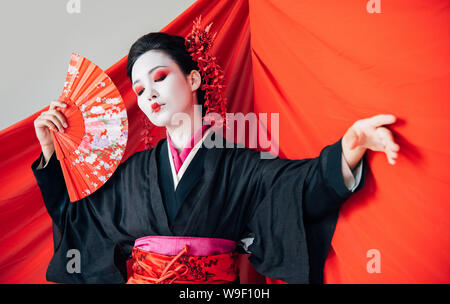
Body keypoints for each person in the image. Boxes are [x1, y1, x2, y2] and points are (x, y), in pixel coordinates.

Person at [31, 30, 399, 284]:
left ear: (192, 81)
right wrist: (53, 153)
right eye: (140, 89)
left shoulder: (240, 166)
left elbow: (300, 188)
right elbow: (79, 219)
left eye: (159, 77)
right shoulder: (133, 175)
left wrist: (350, 146)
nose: (149, 95)